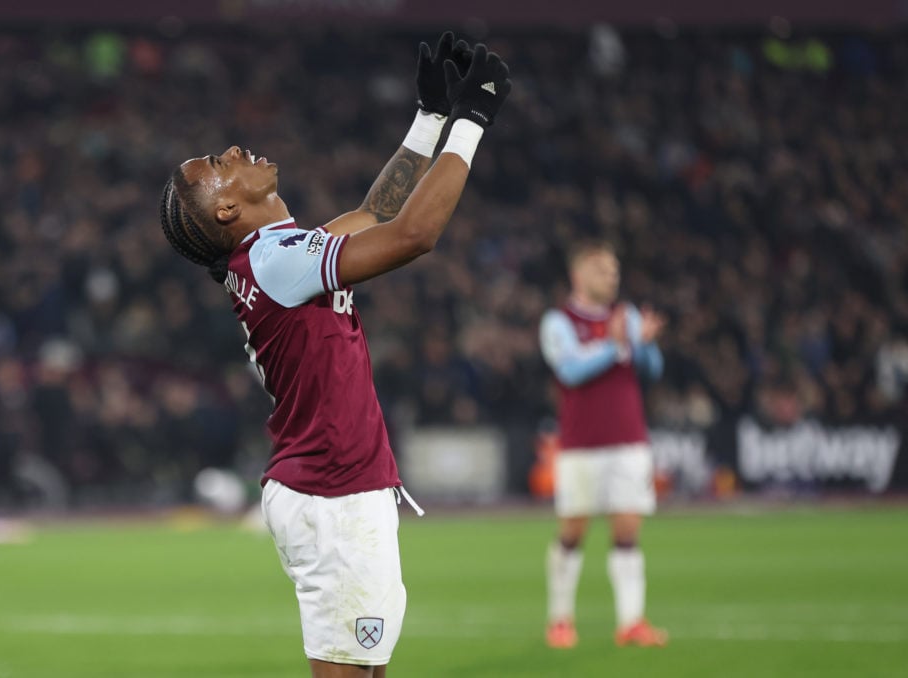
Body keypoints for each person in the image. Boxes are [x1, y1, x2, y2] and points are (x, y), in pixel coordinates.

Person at [158, 33, 511, 678]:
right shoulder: (275, 262)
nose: (234, 150)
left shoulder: (272, 256)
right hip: (333, 493)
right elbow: (413, 235)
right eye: (217, 162)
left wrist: (429, 118)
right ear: (228, 207)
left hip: (331, 490)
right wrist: (472, 123)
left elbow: (374, 213)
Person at [538, 239, 668, 649]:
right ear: (578, 275)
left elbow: (651, 370)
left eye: (613, 269)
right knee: (573, 531)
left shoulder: (625, 315)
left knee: (628, 529)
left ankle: (631, 622)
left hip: (629, 439)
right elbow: (571, 371)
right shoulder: (558, 322)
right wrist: (617, 346)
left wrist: (642, 344)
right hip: (580, 444)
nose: (611, 276)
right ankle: (560, 620)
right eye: (601, 269)